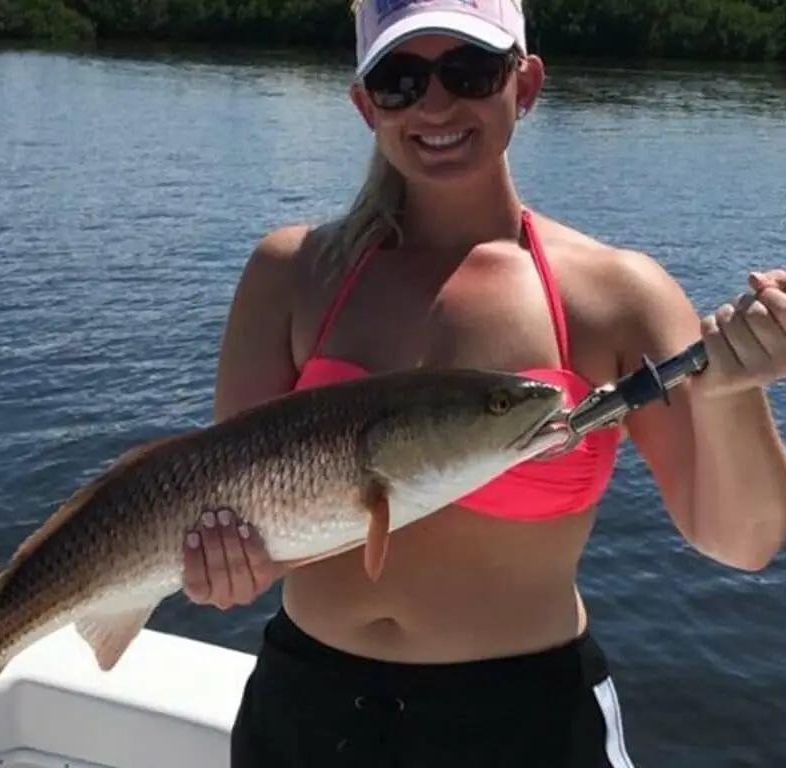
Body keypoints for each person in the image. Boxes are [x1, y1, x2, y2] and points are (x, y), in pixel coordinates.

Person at [181, 0, 786, 764]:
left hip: (528, 723)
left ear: (525, 84)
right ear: (365, 105)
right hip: (306, 708)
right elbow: (225, 509)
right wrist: (222, 566)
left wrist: (738, 390)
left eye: (469, 72)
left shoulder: (614, 294)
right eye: (401, 79)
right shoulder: (291, 274)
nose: (435, 104)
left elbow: (741, 540)